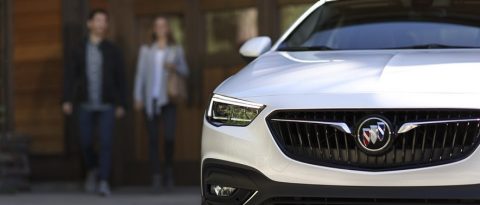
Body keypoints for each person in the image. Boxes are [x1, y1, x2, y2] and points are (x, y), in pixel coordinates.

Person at [62, 9, 127, 196]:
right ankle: (92, 169)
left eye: (104, 21)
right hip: (84, 104)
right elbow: (70, 76)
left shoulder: (113, 50)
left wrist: (122, 103)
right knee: (85, 142)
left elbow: (121, 78)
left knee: (106, 143)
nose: (101, 24)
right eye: (97, 20)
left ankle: (104, 181)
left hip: (107, 105)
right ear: (89, 24)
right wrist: (67, 99)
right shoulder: (78, 48)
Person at [134, 16, 189, 190]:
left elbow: (186, 71)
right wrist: (137, 96)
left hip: (168, 100)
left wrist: (174, 67)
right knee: (152, 139)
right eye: (157, 25)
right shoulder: (146, 50)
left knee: (169, 137)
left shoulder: (176, 49)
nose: (160, 28)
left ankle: (168, 170)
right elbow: (140, 75)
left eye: (163, 25)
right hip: (152, 100)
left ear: (168, 29)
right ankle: (156, 175)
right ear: (153, 29)